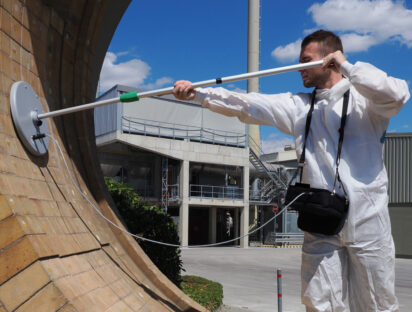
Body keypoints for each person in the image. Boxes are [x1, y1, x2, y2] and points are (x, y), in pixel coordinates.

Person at [173, 30, 410, 311]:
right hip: (320, 220)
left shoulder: (367, 104)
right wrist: (199, 94)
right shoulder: (299, 107)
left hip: (368, 220)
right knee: (319, 302)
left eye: (305, 60)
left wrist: (347, 66)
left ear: (329, 59)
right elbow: (246, 104)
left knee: (377, 302)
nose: (298, 68)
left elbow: (397, 94)